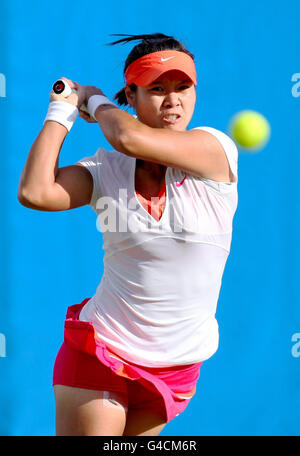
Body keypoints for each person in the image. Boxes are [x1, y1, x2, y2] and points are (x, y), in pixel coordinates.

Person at [17, 33, 238, 436]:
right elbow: (35, 191)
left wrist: (95, 101)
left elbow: (129, 137)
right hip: (100, 350)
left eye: (182, 87)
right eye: (156, 89)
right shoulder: (105, 170)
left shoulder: (215, 149)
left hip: (177, 369)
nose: (173, 100)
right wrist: (61, 112)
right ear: (131, 97)